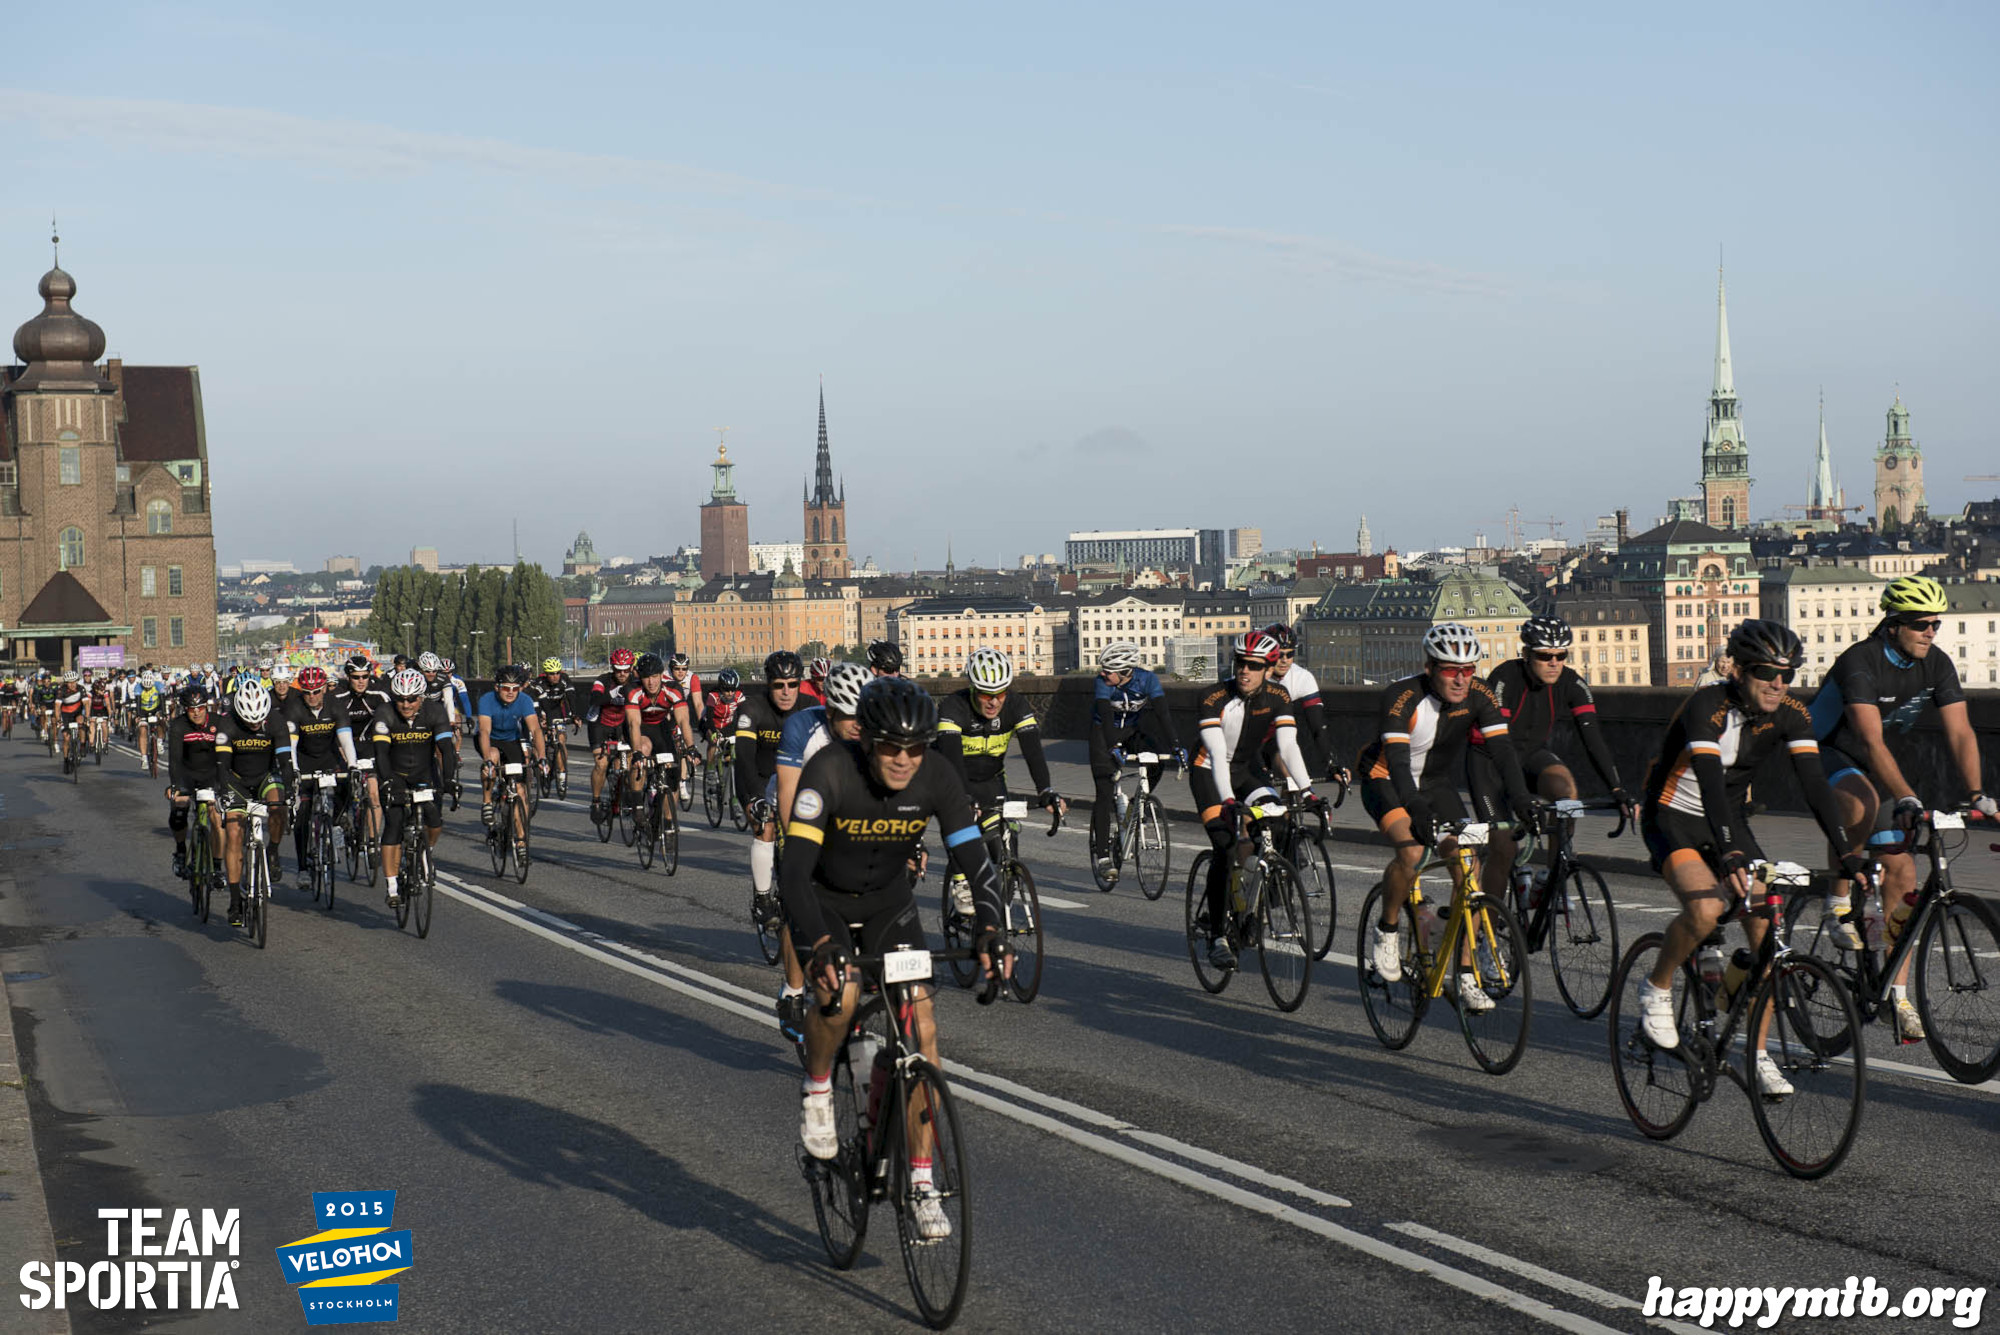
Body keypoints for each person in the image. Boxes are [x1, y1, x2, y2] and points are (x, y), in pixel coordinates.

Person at [784, 677, 1006, 1240]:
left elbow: (974, 857)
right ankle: (817, 1088)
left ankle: (923, 1181)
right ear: (866, 740)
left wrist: (991, 926)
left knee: (922, 1034)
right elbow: (793, 873)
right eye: (890, 747)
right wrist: (820, 943)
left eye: (916, 748)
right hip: (826, 904)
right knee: (841, 994)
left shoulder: (937, 775)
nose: (904, 760)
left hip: (889, 907)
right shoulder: (830, 770)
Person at [1636, 620, 1861, 1096]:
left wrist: (1846, 852)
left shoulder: (1791, 713)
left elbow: (1815, 785)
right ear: (1739, 671)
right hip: (1673, 815)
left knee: (1767, 938)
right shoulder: (1707, 706)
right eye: (1766, 673)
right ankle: (1656, 987)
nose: (1778, 684)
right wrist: (1730, 852)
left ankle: (1757, 1055)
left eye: (1788, 674)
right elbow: (1709, 782)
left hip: (1730, 821)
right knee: (1706, 909)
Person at [1808, 576, 1996, 1040]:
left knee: (1904, 874)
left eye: (1936, 624)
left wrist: (1978, 795)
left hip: (1879, 764)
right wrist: (1908, 795)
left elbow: (1960, 732)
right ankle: (1837, 901)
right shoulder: (1860, 660)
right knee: (1862, 803)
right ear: (1893, 625)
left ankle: (1896, 992)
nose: (1931, 631)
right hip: (1826, 754)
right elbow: (1869, 740)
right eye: (1920, 624)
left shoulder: (1936, 663)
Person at [1356, 622, 1537, 1007]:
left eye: (1468, 669)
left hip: (1435, 784)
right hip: (1385, 779)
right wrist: (1416, 809)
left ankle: (1466, 973)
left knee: (1468, 870)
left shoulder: (1480, 694)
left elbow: (1503, 752)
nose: (1461, 679)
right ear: (1430, 668)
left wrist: (1521, 798)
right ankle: (1387, 930)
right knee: (1411, 852)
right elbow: (1399, 764)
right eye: (1451, 670)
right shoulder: (1401, 697)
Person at [1471, 615, 1633, 901]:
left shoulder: (1572, 682)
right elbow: (1501, 746)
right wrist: (1520, 797)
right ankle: (1489, 924)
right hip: (1490, 763)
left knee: (1567, 795)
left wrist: (1617, 789)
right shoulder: (1505, 678)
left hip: (1531, 755)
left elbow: (1592, 739)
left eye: (1561, 655)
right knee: (1504, 848)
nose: (1554, 663)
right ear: (1526, 654)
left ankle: (1550, 878)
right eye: (1545, 656)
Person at [1188, 631, 1315, 971]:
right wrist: (1229, 801)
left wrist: (1307, 791)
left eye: (1255, 666)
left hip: (1246, 770)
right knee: (1226, 845)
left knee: (1279, 825)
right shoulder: (1214, 696)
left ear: (1269, 669)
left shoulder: (1278, 695)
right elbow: (1216, 754)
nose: (1245, 671)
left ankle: (1254, 903)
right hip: (1209, 772)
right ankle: (1218, 935)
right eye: (1241, 663)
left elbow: (1288, 746)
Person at [770, 661, 872, 1038]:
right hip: (800, 807)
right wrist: (801, 854)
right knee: (801, 897)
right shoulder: (802, 728)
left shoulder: (872, 730)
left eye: (863, 716)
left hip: (843, 810)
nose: (858, 725)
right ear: (829, 712)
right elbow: (788, 796)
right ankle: (793, 991)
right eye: (849, 717)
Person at [935, 648, 1065, 919]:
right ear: (973, 689)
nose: (994, 702)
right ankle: (961, 881)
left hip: (991, 780)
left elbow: (1033, 751)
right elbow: (951, 759)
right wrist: (962, 800)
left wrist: (1046, 790)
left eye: (1000, 693)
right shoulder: (953, 707)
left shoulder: (1016, 705)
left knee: (1005, 840)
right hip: (954, 779)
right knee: (960, 827)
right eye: (986, 694)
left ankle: (1001, 902)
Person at [1087, 641, 1183, 883]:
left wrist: (1176, 745)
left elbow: (1162, 713)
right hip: (1103, 733)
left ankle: (1136, 804)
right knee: (1104, 790)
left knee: (1157, 758)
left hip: (1131, 731)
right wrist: (1112, 746)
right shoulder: (1102, 683)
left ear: (1125, 672)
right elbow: (1105, 715)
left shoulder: (1147, 680)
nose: (1102, 673)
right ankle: (1103, 857)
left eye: (1108, 671)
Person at [369, 668, 459, 907]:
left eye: (411, 699)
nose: (406, 704)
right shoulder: (385, 713)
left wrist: (449, 780)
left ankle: (425, 853)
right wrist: (386, 782)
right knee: (394, 824)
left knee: (435, 821)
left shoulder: (434, 711)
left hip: (425, 774)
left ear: (421, 697)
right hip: (395, 774)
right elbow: (381, 752)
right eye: (400, 699)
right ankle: (392, 886)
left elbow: (446, 749)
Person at [212, 680, 293, 924]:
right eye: (249, 721)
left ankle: (274, 850)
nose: (254, 725)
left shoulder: (276, 721)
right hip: (235, 780)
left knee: (278, 806)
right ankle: (235, 900)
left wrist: (290, 791)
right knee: (234, 833)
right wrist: (224, 793)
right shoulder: (227, 723)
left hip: (265, 777)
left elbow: (285, 762)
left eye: (258, 721)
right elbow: (222, 766)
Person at [737, 651, 809, 920]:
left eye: (793, 684)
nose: (786, 692)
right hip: (757, 777)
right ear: (768, 684)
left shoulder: (811, 707)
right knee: (765, 827)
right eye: (779, 685)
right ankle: (763, 897)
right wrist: (756, 797)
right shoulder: (752, 708)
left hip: (795, 780)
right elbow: (744, 757)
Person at [282, 666, 347, 874]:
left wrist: (353, 765)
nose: (312, 696)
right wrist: (294, 770)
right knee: (303, 813)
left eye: (316, 691)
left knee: (348, 782)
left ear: (324, 689)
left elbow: (345, 739)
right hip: (304, 761)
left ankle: (336, 824)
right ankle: (302, 868)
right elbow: (291, 745)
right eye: (307, 692)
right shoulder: (294, 708)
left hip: (329, 758)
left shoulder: (335, 705)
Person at [622, 654, 694, 828]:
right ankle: (638, 803)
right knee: (644, 750)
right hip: (639, 728)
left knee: (673, 776)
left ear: (662, 675)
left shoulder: (673, 689)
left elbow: (684, 721)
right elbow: (633, 724)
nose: (651, 682)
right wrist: (637, 753)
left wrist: (691, 747)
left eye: (655, 677)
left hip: (661, 729)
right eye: (646, 677)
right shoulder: (633, 690)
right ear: (640, 677)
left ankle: (667, 823)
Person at [477, 663, 547, 837]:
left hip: (511, 741)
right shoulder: (487, 700)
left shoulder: (524, 700)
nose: (510, 692)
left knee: (520, 790)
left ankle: (521, 839)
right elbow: (484, 731)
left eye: (515, 688)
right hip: (490, 739)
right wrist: (487, 759)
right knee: (492, 758)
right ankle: (487, 801)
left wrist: (542, 756)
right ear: (497, 687)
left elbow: (536, 730)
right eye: (506, 688)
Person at [164, 683, 223, 881]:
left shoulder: (218, 722)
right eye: (191, 709)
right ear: (185, 709)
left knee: (217, 818)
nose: (197, 713)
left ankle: (217, 866)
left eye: (200, 708)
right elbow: (174, 760)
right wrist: (175, 786)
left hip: (212, 774)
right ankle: (181, 851)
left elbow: (226, 757)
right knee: (179, 810)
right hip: (186, 774)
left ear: (207, 706)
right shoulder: (179, 725)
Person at [585, 649, 637, 821]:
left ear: (631, 668)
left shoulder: (635, 682)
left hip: (621, 724)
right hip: (600, 723)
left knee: (627, 763)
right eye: (618, 670)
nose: (622, 674)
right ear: (612, 668)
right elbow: (594, 699)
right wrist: (612, 693)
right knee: (601, 764)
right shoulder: (603, 680)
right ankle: (596, 801)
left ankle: (622, 790)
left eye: (626, 670)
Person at [528, 658, 575, 791]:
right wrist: (542, 720)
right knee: (540, 739)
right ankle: (541, 764)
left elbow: (571, 697)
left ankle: (561, 775)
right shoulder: (539, 684)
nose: (555, 676)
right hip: (541, 710)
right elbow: (537, 706)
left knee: (561, 739)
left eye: (557, 673)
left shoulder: (564, 679)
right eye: (551, 674)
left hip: (556, 712)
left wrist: (574, 715)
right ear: (545, 674)